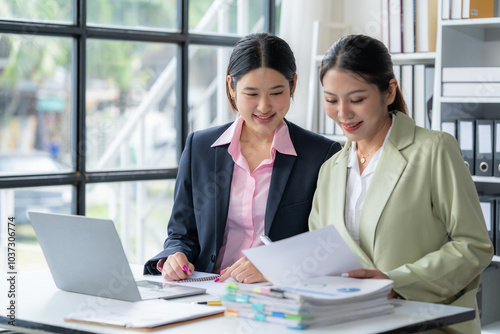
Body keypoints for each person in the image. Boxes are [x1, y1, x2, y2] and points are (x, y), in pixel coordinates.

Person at [308, 34, 494, 333]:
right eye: (331, 100)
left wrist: (396, 282)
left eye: (356, 99)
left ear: (389, 91)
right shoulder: (330, 169)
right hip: (349, 324)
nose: (342, 113)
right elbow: (321, 252)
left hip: (422, 324)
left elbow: (474, 246)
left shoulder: (434, 149)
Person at [144, 32, 341, 284]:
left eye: (276, 92)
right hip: (206, 290)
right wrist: (175, 255)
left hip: (277, 293)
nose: (264, 107)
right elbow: (181, 233)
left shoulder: (321, 155)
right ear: (231, 86)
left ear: (293, 84)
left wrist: (273, 267)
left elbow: (327, 244)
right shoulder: (200, 148)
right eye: (251, 94)